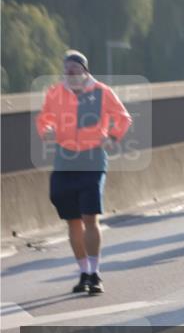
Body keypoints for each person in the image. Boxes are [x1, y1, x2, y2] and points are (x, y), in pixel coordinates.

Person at [36, 50, 133, 295]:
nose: (70, 75)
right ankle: (83, 272)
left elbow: (123, 117)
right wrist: (46, 130)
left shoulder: (101, 91)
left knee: (90, 216)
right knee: (72, 220)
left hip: (92, 158)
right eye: (66, 71)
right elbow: (43, 119)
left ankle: (95, 273)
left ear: (85, 71)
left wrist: (113, 136)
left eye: (74, 70)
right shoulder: (55, 93)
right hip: (65, 159)